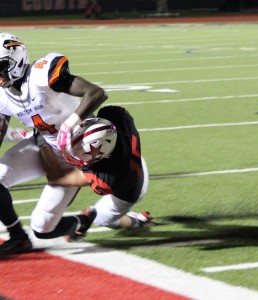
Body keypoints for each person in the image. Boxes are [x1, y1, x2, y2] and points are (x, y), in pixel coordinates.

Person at [0, 32, 108, 254]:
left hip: (77, 149)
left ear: (16, 58)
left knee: (43, 228)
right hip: (44, 145)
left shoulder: (41, 75)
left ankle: (93, 217)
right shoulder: (2, 95)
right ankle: (18, 237)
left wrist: (69, 125)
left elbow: (96, 93)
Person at [35, 105, 152, 240]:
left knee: (100, 219)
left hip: (130, 189)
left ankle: (136, 221)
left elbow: (59, 177)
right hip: (133, 161)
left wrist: (42, 142)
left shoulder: (106, 178)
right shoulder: (114, 117)